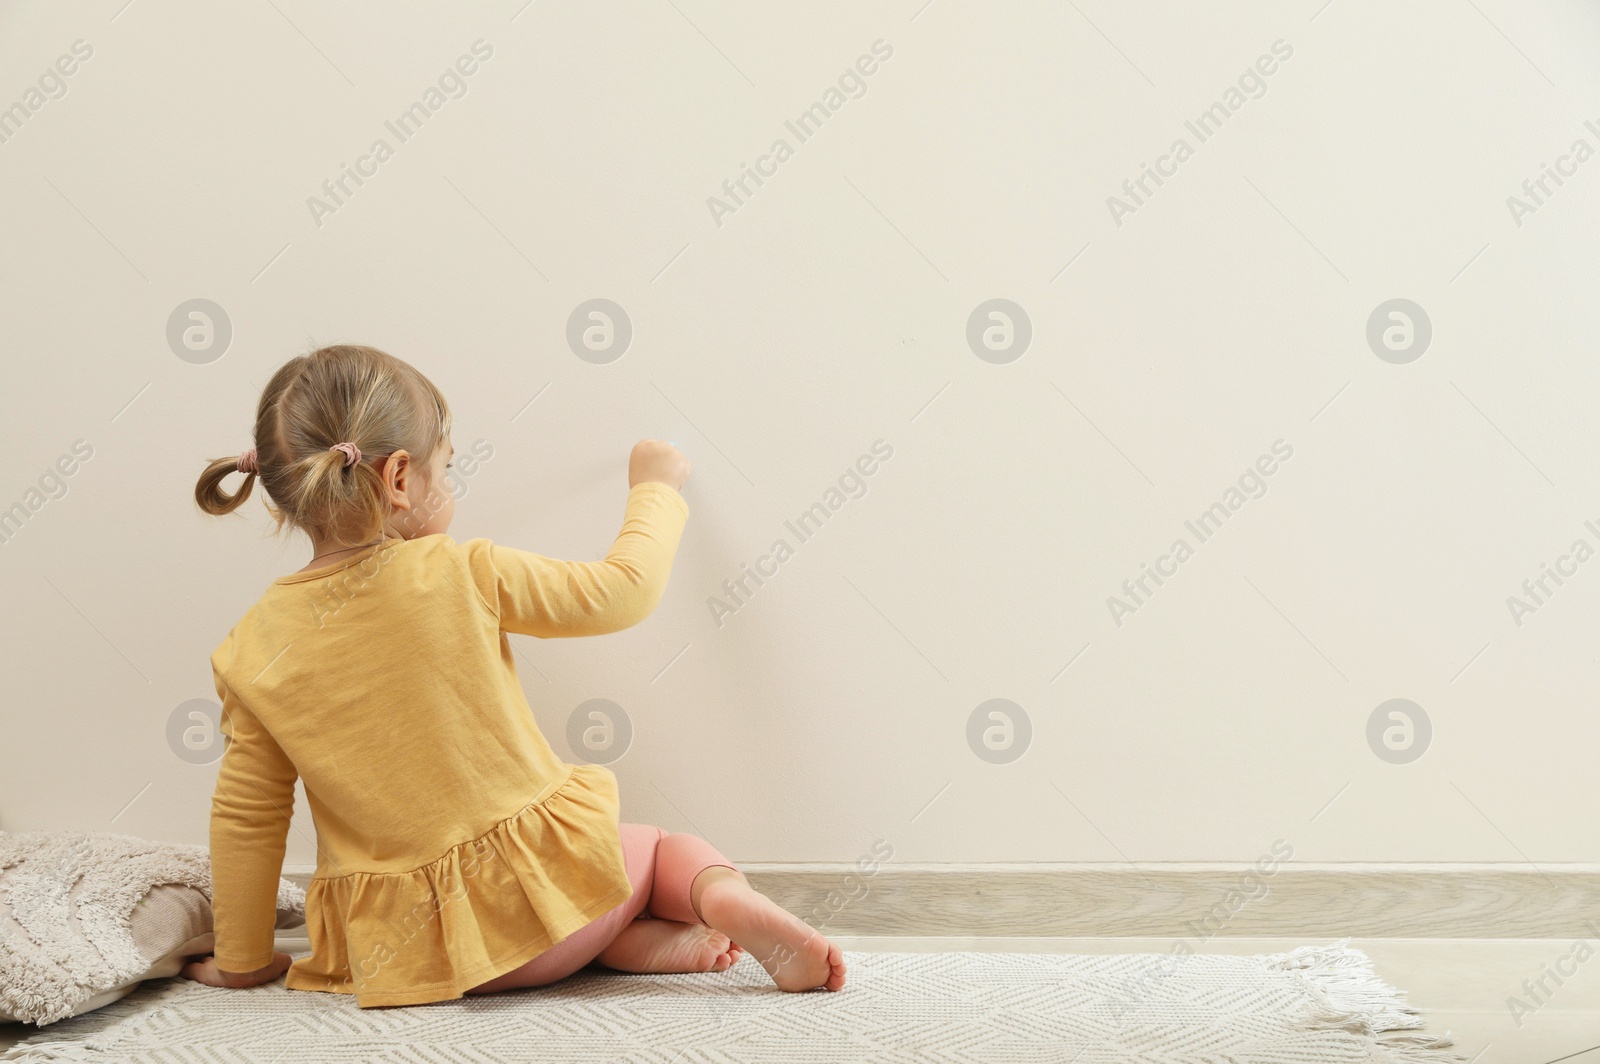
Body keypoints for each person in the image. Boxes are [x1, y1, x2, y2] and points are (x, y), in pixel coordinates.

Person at [179, 344, 845, 1007]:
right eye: (449, 466)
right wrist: (656, 488)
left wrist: (241, 960)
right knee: (666, 850)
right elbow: (623, 592)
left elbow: (248, 817)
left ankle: (623, 944)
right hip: (547, 916)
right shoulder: (462, 571)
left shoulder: (251, 649)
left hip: (408, 958)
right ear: (401, 479)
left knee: (571, 907)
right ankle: (723, 902)